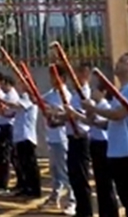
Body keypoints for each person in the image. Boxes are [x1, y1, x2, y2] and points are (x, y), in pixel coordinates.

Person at [83, 53, 128, 217]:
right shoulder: (122, 91)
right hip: (117, 152)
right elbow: (112, 123)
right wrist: (95, 120)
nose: (117, 64)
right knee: (127, 199)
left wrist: (94, 109)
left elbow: (118, 114)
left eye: (122, 61)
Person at [69, 75, 118, 217]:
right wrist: (76, 115)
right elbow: (89, 122)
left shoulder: (104, 107)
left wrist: (88, 114)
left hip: (103, 145)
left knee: (105, 183)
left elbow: (102, 124)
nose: (93, 93)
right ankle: (104, 212)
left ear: (103, 92)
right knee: (100, 183)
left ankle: (110, 213)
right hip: (95, 143)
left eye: (96, 90)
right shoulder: (96, 107)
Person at [0, 76, 40, 198]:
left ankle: (34, 189)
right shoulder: (23, 97)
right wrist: (3, 111)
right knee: (23, 164)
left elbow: (17, 106)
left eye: (24, 83)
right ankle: (25, 187)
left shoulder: (30, 98)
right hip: (20, 135)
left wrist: (2, 100)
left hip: (27, 135)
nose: (21, 85)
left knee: (30, 164)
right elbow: (12, 112)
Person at [41, 66, 75, 215]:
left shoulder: (66, 95)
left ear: (62, 78)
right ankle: (55, 195)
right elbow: (39, 101)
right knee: (54, 170)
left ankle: (72, 200)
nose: (51, 79)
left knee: (65, 170)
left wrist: (53, 111)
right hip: (52, 137)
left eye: (54, 76)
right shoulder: (51, 93)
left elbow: (66, 113)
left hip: (62, 137)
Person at [65, 63, 94, 217]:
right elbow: (70, 115)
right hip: (72, 137)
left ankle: (86, 212)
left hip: (81, 137)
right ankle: (80, 210)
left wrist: (70, 113)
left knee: (81, 177)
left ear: (85, 75)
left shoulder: (85, 94)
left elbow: (84, 116)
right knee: (74, 176)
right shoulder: (76, 94)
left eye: (78, 73)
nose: (74, 77)